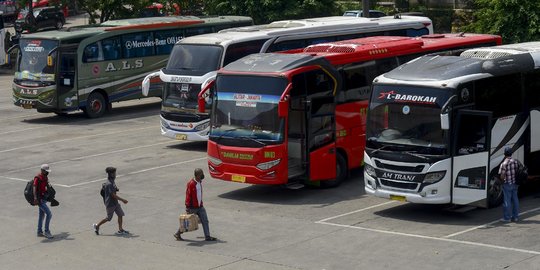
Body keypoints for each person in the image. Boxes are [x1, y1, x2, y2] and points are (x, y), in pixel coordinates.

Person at [174, 168, 217, 241]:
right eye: (201, 174)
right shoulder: (191, 184)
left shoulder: (199, 182)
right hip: (192, 207)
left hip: (200, 207)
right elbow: (188, 196)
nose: (203, 175)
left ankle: (207, 236)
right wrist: (187, 207)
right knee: (187, 222)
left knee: (205, 220)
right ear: (197, 175)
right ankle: (178, 234)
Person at [93, 167, 130, 235]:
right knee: (108, 218)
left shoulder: (112, 181)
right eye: (114, 173)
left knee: (120, 214)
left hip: (115, 202)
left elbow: (113, 190)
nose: (115, 174)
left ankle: (120, 230)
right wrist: (123, 200)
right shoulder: (109, 183)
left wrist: (116, 189)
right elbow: (113, 195)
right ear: (111, 174)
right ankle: (97, 226)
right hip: (110, 204)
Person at [499, 147, 519, 222]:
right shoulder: (515, 161)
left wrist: (501, 179)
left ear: (505, 154)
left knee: (507, 201)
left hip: (507, 184)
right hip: (515, 183)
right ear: (511, 153)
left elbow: (502, 176)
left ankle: (507, 218)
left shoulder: (504, 163)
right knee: (515, 200)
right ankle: (515, 217)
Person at [33, 164, 54, 239]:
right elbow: (34, 187)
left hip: (44, 198)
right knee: (49, 214)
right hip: (39, 199)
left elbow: (46, 187)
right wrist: (35, 198)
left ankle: (39, 232)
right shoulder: (37, 178)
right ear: (42, 170)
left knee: (41, 215)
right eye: (46, 171)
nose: (47, 173)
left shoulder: (45, 177)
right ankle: (47, 231)